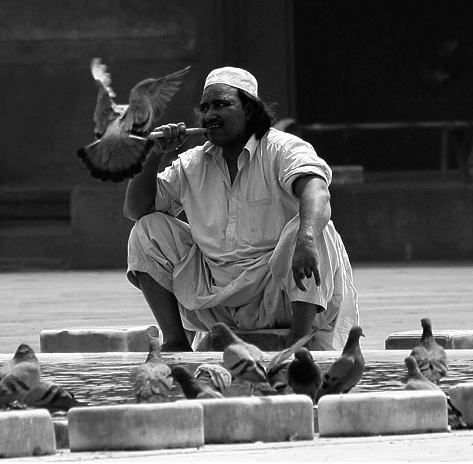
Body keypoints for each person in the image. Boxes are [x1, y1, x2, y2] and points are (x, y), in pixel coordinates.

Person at [124, 67, 358, 352]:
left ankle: (297, 345)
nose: (210, 115)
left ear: (249, 110)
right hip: (216, 302)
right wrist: (151, 155)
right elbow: (136, 210)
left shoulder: (283, 149)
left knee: (313, 228)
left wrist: (305, 239)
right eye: (205, 107)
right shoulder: (192, 163)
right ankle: (176, 341)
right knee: (146, 230)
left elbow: (317, 192)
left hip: (280, 298)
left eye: (221, 105)